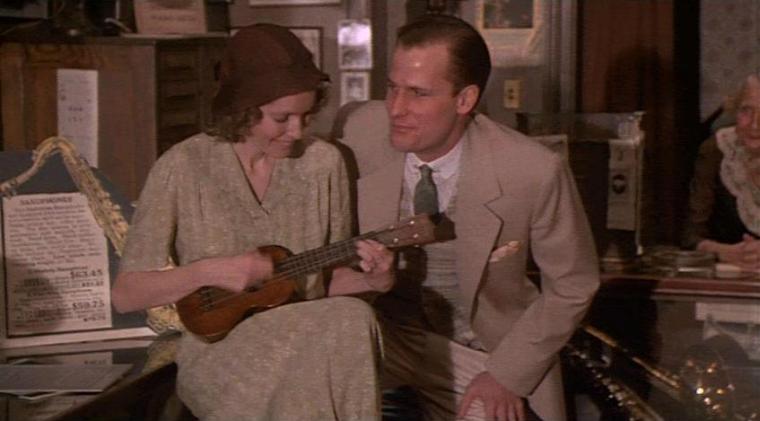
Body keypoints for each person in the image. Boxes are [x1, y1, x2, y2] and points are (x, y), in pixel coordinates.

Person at [111, 23, 395, 421]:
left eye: (307, 116)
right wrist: (213, 270)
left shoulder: (324, 164)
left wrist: (372, 280)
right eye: (282, 119)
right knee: (341, 328)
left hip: (311, 334)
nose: (296, 132)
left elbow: (320, 283)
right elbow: (127, 294)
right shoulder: (184, 166)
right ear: (242, 110)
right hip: (223, 352)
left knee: (352, 318)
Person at [338, 15, 600, 421]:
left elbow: (573, 285)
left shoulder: (531, 169)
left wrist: (506, 376)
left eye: (419, 94)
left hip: (483, 350)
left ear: (465, 100)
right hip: (383, 337)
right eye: (392, 88)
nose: (397, 109)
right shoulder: (356, 131)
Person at [683, 74, 760, 270]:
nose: (754, 124)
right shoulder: (716, 151)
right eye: (746, 111)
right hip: (731, 282)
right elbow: (691, 236)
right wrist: (725, 251)